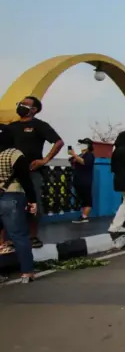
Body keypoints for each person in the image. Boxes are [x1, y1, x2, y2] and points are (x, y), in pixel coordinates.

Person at [8, 96, 64, 248]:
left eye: (25, 104)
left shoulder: (39, 125)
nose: (21, 105)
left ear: (34, 110)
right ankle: (9, 238)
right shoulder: (11, 127)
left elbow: (58, 142)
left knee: (34, 204)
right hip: (10, 174)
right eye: (20, 103)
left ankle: (32, 237)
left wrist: (45, 160)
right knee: (9, 206)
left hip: (32, 171)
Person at [0, 124, 38, 284]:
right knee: (19, 236)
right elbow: (25, 179)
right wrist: (32, 200)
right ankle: (27, 273)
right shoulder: (14, 154)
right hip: (12, 196)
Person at [69, 138, 95, 223]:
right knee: (82, 199)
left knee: (87, 200)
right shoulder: (80, 155)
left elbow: (85, 163)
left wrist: (74, 155)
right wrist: (74, 158)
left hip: (85, 181)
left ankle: (84, 217)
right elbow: (73, 163)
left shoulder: (90, 155)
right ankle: (83, 215)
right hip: (78, 180)